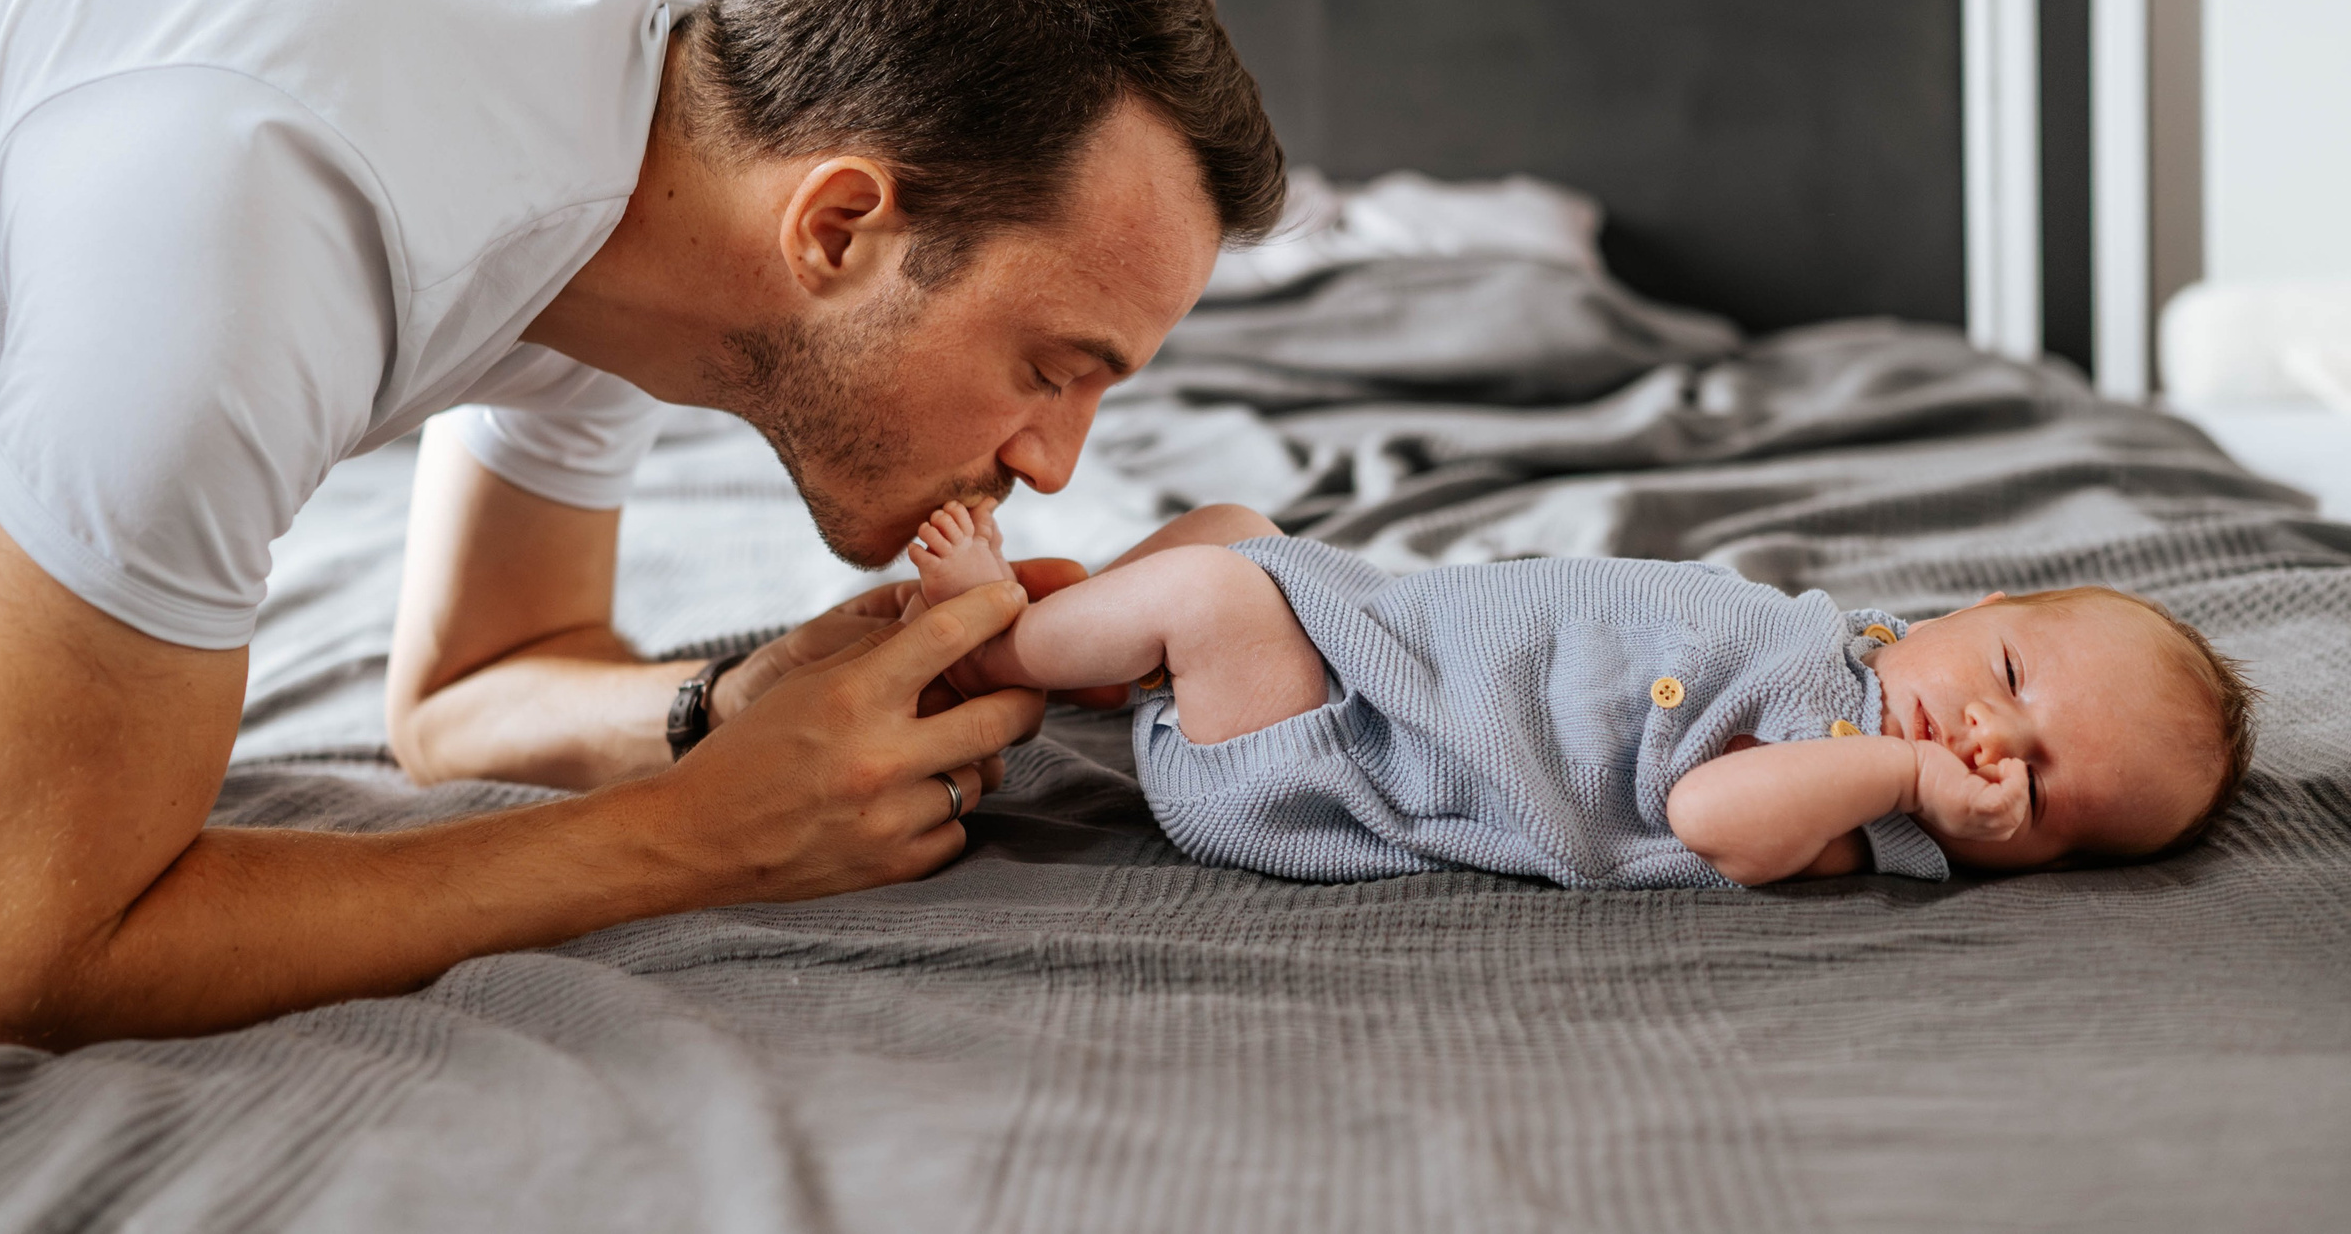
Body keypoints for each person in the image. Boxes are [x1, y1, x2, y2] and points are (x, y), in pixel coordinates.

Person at [0, 0, 1286, 1056]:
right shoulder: (262, 216)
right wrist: (694, 839)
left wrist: (724, 707)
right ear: (839, 227)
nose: (1054, 467)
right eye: (1051, 369)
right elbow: (6, 971)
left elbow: (461, 697)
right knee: (15, 852)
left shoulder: (655, 169)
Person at [903, 498, 2261, 886]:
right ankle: (1099, 663)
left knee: (1211, 599)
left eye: (2038, 778)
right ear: (1975, 610)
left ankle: (991, 651)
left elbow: (1718, 814)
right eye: (2010, 677)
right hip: (1382, 648)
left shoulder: (1861, 810)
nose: (1982, 736)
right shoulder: (1843, 651)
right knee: (1229, 529)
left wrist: (1909, 783)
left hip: (1336, 764)